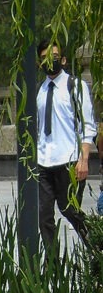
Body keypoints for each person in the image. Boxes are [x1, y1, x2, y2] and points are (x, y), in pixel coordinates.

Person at [35, 39, 96, 249]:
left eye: (52, 57)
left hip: (69, 160)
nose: (48, 62)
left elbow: (87, 125)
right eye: (44, 58)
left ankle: (96, 245)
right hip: (43, 161)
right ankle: (53, 267)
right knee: (44, 216)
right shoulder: (39, 90)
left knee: (70, 209)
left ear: (62, 59)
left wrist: (84, 159)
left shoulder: (75, 86)